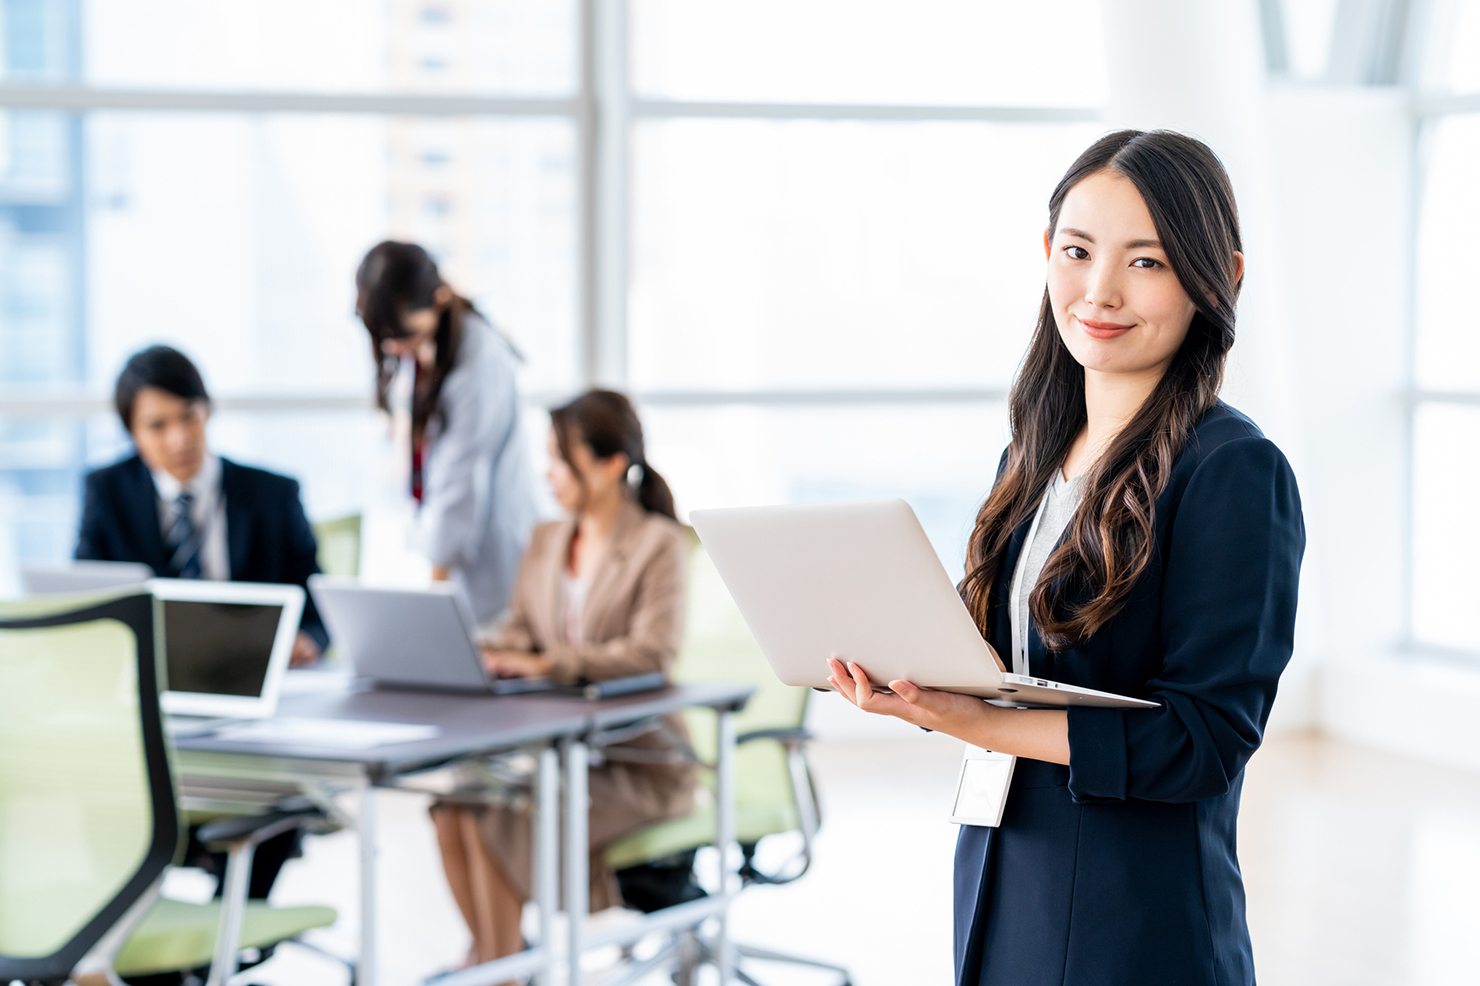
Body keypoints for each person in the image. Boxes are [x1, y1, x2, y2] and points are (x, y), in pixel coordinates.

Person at [825, 130, 1305, 985]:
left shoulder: (1233, 469)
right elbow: (1018, 668)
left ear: (1220, 276)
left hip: (1130, 920)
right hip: (1003, 876)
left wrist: (978, 725)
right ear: (1048, 253)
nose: (1100, 290)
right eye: (1078, 251)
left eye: (1148, 262)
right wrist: (918, 673)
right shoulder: (1035, 453)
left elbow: (1204, 742)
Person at [431, 390, 695, 974]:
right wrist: (472, 648)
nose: (547, 473)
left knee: (493, 810)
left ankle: (497, 964)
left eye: (559, 458)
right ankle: (498, 960)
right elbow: (521, 631)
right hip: (562, 752)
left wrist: (553, 664)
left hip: (637, 764)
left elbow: (653, 653)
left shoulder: (658, 544)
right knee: (452, 802)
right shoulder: (548, 539)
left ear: (606, 465)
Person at [75, 344, 329, 910]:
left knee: (281, 788)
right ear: (132, 434)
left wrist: (307, 637)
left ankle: (226, 937)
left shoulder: (270, 493)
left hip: (254, 706)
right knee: (103, 799)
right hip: (150, 702)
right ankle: (149, 950)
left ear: (207, 410)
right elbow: (87, 595)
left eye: (187, 416)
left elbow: (316, 595)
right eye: (156, 425)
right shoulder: (107, 494)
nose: (178, 439)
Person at [355, 241, 540, 625]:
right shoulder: (419, 352)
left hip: (490, 561)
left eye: (406, 332)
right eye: (385, 337)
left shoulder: (479, 358)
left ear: (439, 299)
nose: (396, 346)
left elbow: (460, 484)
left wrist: (434, 600)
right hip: (431, 542)